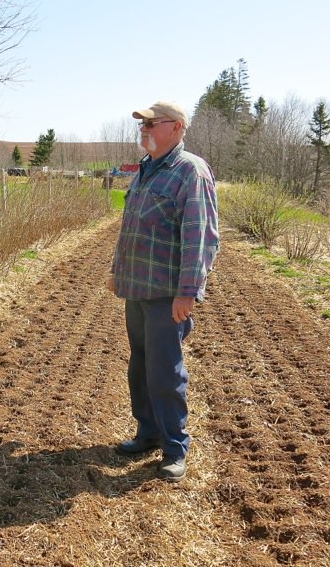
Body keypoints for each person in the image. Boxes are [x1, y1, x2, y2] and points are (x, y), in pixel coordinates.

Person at [107, 100, 219, 482]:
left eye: (152, 123)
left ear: (176, 127)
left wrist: (188, 292)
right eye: (142, 123)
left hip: (166, 295)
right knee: (139, 366)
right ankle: (149, 432)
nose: (145, 129)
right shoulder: (145, 170)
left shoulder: (190, 171)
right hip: (136, 288)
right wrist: (116, 270)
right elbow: (130, 227)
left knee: (164, 372)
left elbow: (200, 238)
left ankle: (175, 448)